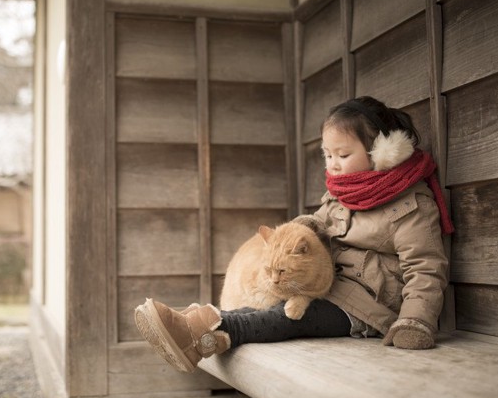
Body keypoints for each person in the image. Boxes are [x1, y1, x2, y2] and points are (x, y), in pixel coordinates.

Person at [134, 96, 454, 373]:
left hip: (372, 305)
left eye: (343, 155)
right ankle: (196, 325)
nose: (334, 165)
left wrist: (415, 321)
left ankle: (198, 332)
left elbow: (425, 268)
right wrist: (302, 231)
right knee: (270, 306)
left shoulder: (411, 203)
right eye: (328, 156)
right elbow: (318, 224)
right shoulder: (343, 193)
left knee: (288, 317)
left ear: (381, 152)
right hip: (332, 287)